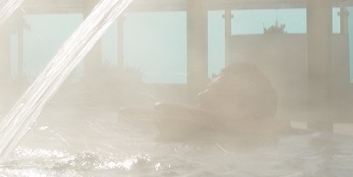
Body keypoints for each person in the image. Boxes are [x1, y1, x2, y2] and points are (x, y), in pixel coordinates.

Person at [120, 62, 290, 143]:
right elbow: (126, 114)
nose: (202, 96)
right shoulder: (199, 127)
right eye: (208, 88)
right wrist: (230, 125)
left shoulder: (255, 152)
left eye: (220, 93)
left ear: (251, 113)